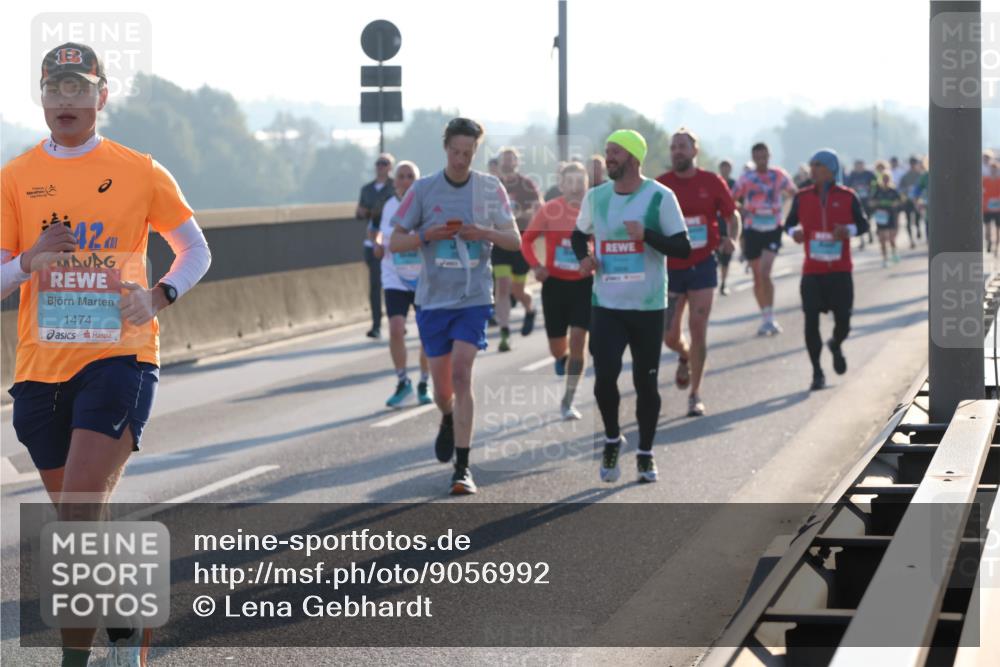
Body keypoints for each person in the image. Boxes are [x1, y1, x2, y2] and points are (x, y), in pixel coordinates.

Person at [1, 42, 212, 667]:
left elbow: (194, 249)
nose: (66, 100)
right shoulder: (13, 178)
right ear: (41, 96)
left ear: (101, 96)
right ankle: (123, 615)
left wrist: (160, 294)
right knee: (80, 520)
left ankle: (75, 660)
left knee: (78, 507)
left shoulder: (141, 170)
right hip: (40, 367)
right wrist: (27, 262)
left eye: (78, 88)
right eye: (56, 88)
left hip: (120, 356)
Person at [390, 117, 521, 495]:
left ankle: (462, 469)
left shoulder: (488, 188)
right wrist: (426, 235)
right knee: (443, 389)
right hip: (433, 300)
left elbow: (514, 240)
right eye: (456, 152)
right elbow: (394, 241)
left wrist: (483, 233)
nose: (462, 159)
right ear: (445, 148)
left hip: (473, 298)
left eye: (469, 153)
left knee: (463, 374)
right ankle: (447, 416)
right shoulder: (424, 189)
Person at [570, 129, 691, 484]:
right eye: (606, 151)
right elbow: (579, 234)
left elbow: (683, 248)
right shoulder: (596, 197)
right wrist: (585, 257)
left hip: (648, 306)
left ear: (634, 158)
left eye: (615, 153)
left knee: (645, 383)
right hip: (606, 303)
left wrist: (647, 235)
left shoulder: (659, 197)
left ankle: (646, 453)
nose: (608, 158)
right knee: (604, 378)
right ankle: (612, 437)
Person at [657, 129, 740, 417]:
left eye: (682, 146)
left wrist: (733, 237)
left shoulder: (711, 181)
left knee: (698, 329)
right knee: (668, 335)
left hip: (703, 264)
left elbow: (732, 215)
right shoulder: (662, 185)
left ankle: (695, 394)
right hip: (671, 268)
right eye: (673, 147)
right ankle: (683, 354)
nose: (677, 151)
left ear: (695, 151)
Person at [784, 149, 869, 391]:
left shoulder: (848, 196)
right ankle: (817, 372)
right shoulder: (802, 197)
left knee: (844, 321)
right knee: (810, 321)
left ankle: (836, 344)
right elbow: (788, 225)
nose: (812, 170)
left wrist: (848, 231)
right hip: (812, 272)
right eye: (811, 165)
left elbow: (863, 224)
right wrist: (794, 233)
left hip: (840, 271)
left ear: (831, 169)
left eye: (817, 165)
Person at [521, 161, 592, 420]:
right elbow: (526, 240)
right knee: (557, 347)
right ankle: (561, 359)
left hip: (585, 284)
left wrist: (595, 260)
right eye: (570, 183)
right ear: (562, 185)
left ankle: (568, 399)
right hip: (554, 285)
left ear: (587, 185)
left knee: (578, 342)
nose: (575, 189)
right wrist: (535, 267)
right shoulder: (550, 210)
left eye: (580, 183)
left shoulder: (594, 210)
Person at [374, 161, 432, 407]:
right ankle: (402, 381)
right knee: (396, 328)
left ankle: (424, 382)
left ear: (417, 181)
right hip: (394, 276)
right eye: (402, 176)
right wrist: (378, 243)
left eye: (411, 176)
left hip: (423, 277)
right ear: (394, 181)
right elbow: (378, 231)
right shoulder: (388, 206)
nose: (406, 180)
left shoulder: (425, 206)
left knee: (427, 333)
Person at [732, 142, 797, 336]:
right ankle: (765, 316)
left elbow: (795, 194)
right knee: (757, 276)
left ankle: (770, 317)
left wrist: (786, 213)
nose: (761, 160)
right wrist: (742, 208)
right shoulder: (746, 178)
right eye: (757, 157)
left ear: (770, 155)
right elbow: (730, 198)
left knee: (765, 271)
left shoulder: (778, 175)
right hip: (752, 228)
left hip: (773, 227)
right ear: (753, 158)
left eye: (764, 156)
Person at [492, 147, 539, 351]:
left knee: (517, 290)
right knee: (502, 286)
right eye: (504, 160)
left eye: (511, 160)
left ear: (517, 163)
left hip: (520, 242)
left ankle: (530, 309)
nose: (508, 163)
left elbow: (540, 211)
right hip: (500, 242)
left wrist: (520, 215)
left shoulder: (526, 184)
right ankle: (504, 333)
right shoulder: (492, 185)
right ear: (499, 163)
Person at [356, 153, 396, 338]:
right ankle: (376, 325)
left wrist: (375, 212)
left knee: (393, 284)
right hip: (372, 242)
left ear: (390, 167)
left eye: (384, 163)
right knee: (375, 285)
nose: (380, 166)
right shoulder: (366, 189)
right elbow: (360, 213)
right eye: (378, 163)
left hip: (391, 242)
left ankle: (397, 320)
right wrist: (363, 212)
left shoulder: (395, 186)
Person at [869, 171, 902, 266]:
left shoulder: (893, 191)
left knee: (891, 238)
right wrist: (875, 203)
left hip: (891, 216)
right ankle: (884, 259)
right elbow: (870, 202)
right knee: (882, 239)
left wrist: (895, 204)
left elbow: (900, 202)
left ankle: (894, 253)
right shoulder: (877, 191)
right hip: (881, 217)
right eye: (884, 179)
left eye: (887, 179)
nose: (885, 181)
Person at [844, 159, 877, 250]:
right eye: (857, 165)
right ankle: (862, 240)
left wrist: (871, 193)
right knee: (858, 220)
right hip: (856, 201)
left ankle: (870, 234)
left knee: (868, 219)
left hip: (867, 200)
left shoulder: (869, 174)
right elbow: (847, 186)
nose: (859, 167)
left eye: (860, 165)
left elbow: (876, 184)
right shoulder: (852, 175)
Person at [716, 159, 737, 295]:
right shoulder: (715, 183)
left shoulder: (735, 184)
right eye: (723, 168)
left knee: (726, 259)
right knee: (715, 258)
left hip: (729, 224)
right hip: (716, 225)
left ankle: (723, 284)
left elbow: (740, 201)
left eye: (727, 168)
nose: (725, 170)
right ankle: (713, 283)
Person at [897, 156, 925, 248]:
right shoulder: (905, 176)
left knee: (917, 219)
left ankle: (918, 230)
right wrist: (906, 190)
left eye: (914, 163)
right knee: (908, 220)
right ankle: (911, 240)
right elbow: (900, 188)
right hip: (908, 201)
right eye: (912, 164)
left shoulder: (921, 175)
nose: (913, 165)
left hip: (918, 201)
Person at [984, 160, 1000, 256]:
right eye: (992, 169)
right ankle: (989, 242)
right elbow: (983, 192)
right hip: (987, 208)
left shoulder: (999, 181)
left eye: (995, 169)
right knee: (988, 228)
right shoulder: (985, 180)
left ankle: (997, 248)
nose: (993, 171)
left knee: (998, 229)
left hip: (998, 208)